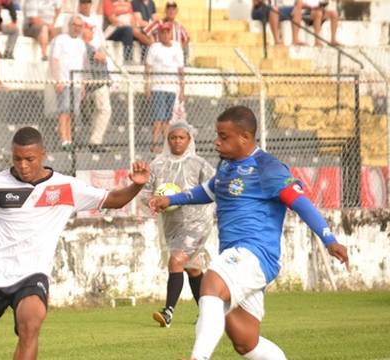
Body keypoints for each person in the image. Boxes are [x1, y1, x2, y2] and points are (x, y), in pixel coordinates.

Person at [0, 126, 151, 359]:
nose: (23, 165)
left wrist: (137, 185)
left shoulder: (66, 187)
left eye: (29, 159)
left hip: (32, 276)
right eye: (17, 159)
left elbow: (113, 199)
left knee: (30, 327)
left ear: (43, 154)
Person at [149, 106, 349, 360]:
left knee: (211, 283)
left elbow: (300, 202)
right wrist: (171, 199)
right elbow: (207, 192)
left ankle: (198, 358)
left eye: (224, 136)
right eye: (217, 135)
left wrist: (329, 239)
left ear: (244, 137)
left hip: (255, 253)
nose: (217, 141)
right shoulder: (226, 167)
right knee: (245, 342)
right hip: (236, 255)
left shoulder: (268, 167)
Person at [143, 122, 215, 328]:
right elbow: (147, 191)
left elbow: (213, 188)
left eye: (181, 137)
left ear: (189, 140)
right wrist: (152, 201)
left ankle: (168, 312)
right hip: (172, 223)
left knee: (175, 261)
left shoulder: (199, 163)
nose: (177, 141)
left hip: (197, 221)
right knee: (192, 268)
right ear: (168, 140)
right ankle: (208, 314)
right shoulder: (158, 164)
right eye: (173, 138)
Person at [145, 22, 184, 153]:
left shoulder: (177, 48)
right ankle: (154, 143)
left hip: (171, 88)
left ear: (171, 33)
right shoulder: (155, 47)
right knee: (158, 118)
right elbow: (148, 67)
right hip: (158, 87)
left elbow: (180, 70)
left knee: (167, 119)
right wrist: (147, 85)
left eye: (167, 32)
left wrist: (182, 89)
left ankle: (166, 143)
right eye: (163, 32)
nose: (165, 35)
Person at [50, 16, 86, 151]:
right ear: (69, 25)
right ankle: (63, 140)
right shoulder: (60, 40)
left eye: (79, 25)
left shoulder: (81, 43)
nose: (77, 27)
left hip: (76, 83)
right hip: (64, 82)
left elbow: (81, 65)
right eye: (74, 24)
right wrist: (57, 80)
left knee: (72, 113)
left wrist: (82, 84)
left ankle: (69, 139)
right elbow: (54, 60)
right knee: (63, 112)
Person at [81, 22, 111, 151]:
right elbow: (99, 56)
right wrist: (101, 54)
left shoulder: (91, 46)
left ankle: (94, 141)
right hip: (96, 83)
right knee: (105, 110)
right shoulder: (84, 46)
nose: (92, 33)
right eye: (89, 30)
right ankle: (95, 141)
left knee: (97, 113)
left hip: (97, 83)